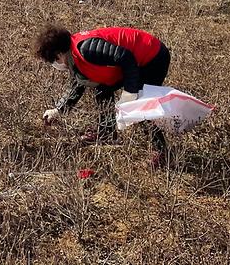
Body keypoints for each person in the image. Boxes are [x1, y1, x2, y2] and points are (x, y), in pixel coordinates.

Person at [34, 25, 171, 167]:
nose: (56, 64)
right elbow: (78, 83)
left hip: (152, 57)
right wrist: (59, 109)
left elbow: (126, 57)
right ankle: (107, 133)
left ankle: (162, 153)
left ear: (58, 54)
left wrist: (130, 93)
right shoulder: (73, 55)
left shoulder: (86, 48)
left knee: (141, 107)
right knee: (102, 89)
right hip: (134, 62)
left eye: (53, 60)